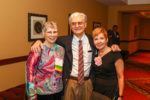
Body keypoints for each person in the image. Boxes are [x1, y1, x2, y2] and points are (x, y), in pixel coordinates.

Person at [31, 12, 120, 100]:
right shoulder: (64, 41)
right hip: (70, 82)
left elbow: (102, 43)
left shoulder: (92, 40)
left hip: (87, 82)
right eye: (73, 23)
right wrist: (37, 42)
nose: (77, 26)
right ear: (70, 26)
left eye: (80, 23)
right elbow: (49, 39)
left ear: (85, 24)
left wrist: (113, 45)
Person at [26, 21, 65, 100]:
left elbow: (58, 70)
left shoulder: (61, 49)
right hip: (42, 93)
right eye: (49, 32)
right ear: (44, 34)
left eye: (55, 32)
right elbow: (29, 74)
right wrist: (31, 96)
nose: (52, 35)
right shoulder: (37, 50)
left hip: (58, 91)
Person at [91, 27, 124, 100]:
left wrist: (120, 96)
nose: (99, 41)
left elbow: (120, 77)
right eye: (96, 39)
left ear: (107, 40)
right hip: (96, 91)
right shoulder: (95, 54)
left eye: (101, 38)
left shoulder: (115, 54)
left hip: (110, 92)